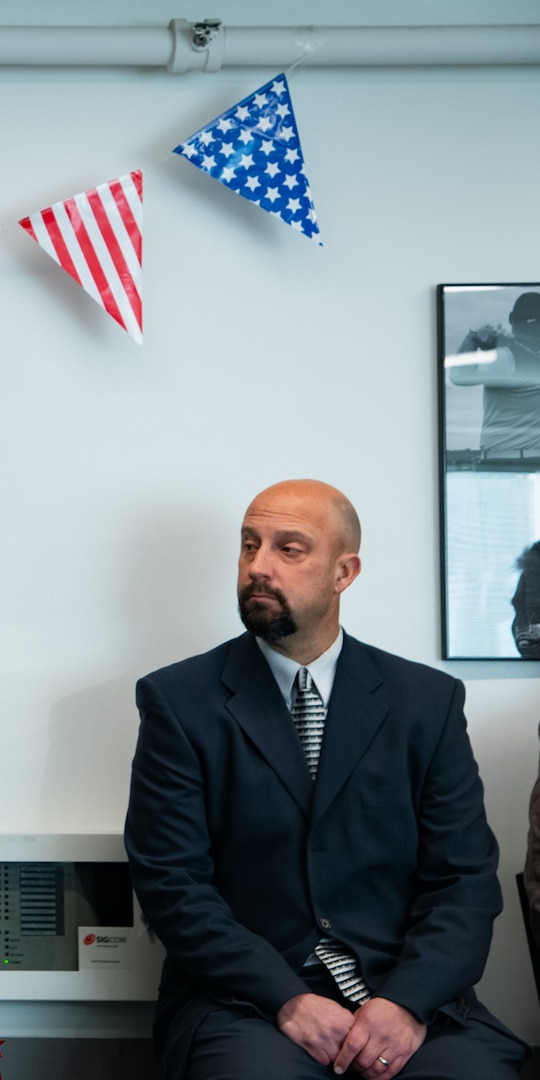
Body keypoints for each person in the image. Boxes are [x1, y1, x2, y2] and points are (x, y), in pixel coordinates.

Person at [124, 480, 526, 1080]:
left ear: (345, 572)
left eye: (289, 549)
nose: (258, 566)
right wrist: (287, 1000)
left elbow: (463, 880)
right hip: (246, 1003)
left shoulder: (427, 702)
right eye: (249, 545)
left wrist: (405, 1003)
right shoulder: (179, 701)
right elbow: (172, 884)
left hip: (407, 995)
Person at [447, 291, 540, 459]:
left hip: (503, 460)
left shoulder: (505, 357)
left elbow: (457, 375)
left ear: (511, 319)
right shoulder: (509, 356)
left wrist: (474, 337)